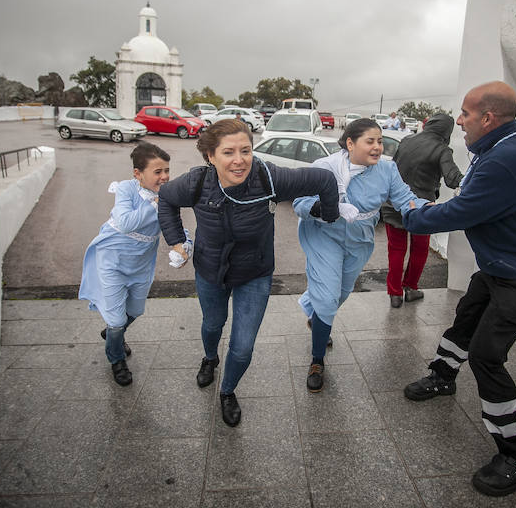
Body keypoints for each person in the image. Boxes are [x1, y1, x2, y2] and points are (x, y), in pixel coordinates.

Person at [401, 81, 516, 497]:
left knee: (486, 356)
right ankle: (443, 376)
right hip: (503, 266)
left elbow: (460, 211)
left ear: (487, 118)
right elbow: (471, 198)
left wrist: (409, 213)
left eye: (465, 113)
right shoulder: (499, 147)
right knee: (465, 320)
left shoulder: (505, 161)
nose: (459, 120)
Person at [158, 119, 340, 427]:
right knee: (212, 323)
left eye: (246, 150)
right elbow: (166, 198)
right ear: (210, 156)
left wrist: (328, 214)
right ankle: (210, 358)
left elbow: (324, 180)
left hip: (254, 273)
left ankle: (227, 391)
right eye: (228, 152)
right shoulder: (196, 183)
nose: (239, 160)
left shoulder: (269, 178)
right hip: (210, 270)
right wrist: (177, 241)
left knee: (242, 348)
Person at [293, 118, 428, 393]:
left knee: (339, 294)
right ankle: (317, 360)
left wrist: (433, 209)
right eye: (371, 141)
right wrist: (327, 209)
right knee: (328, 296)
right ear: (351, 143)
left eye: (380, 141)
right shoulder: (325, 168)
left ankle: (317, 317)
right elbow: (300, 203)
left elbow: (406, 199)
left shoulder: (388, 170)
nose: (378, 147)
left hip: (360, 238)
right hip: (324, 234)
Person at [79, 141, 173, 386]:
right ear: (137, 174)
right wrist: (155, 204)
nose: (164, 177)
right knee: (117, 320)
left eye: (166, 171)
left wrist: (185, 246)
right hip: (112, 258)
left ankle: (112, 333)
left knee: (135, 311)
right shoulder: (126, 189)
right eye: (158, 172)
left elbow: (175, 226)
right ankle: (116, 358)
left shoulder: (167, 195)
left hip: (141, 263)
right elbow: (125, 223)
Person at [381, 112, 463, 308]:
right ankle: (410, 288)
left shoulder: (407, 140)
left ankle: (394, 294)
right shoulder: (442, 149)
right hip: (421, 209)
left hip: (394, 203)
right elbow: (453, 180)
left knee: (396, 250)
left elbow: (394, 168)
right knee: (420, 249)